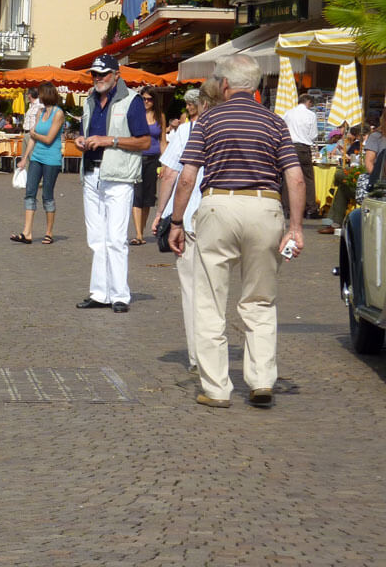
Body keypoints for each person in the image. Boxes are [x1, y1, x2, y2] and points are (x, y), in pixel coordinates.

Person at [169, 55, 304, 409]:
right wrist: (295, 228)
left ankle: (216, 388)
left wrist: (176, 220)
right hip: (265, 207)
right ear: (256, 86)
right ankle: (261, 380)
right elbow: (295, 176)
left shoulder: (208, 120)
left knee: (210, 299)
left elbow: (187, 175)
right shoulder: (275, 123)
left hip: (219, 206)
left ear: (225, 85)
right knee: (260, 300)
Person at [74, 55, 151, 314]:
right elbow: (88, 132)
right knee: (96, 238)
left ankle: (120, 294)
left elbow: (144, 142)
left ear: (116, 75)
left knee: (116, 238)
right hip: (92, 174)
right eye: (94, 74)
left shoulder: (132, 101)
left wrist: (110, 141)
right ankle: (100, 292)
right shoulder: (90, 101)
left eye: (103, 74)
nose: (97, 78)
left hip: (118, 176)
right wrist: (81, 140)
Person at [153, 82, 219, 376]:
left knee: (193, 288)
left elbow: (170, 174)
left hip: (192, 214)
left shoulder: (188, 131)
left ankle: (199, 356)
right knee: (219, 288)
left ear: (201, 104)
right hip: (227, 215)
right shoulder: (235, 128)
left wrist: (162, 214)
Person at [13, 82, 65, 245]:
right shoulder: (39, 112)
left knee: (47, 195)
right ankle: (27, 232)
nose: (38, 96)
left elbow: (49, 139)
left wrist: (34, 134)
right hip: (36, 157)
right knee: (30, 192)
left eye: (40, 93)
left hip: (51, 159)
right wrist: (24, 158)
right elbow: (32, 139)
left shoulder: (58, 114)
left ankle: (49, 232)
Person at [130, 87, 166, 245]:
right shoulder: (136, 116)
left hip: (153, 159)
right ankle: (138, 234)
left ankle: (141, 230)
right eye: (144, 98)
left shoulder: (160, 117)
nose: (146, 102)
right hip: (137, 157)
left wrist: (164, 163)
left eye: (149, 99)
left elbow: (163, 141)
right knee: (137, 195)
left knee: (148, 198)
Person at [281, 93, 319, 219]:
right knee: (307, 178)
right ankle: (310, 208)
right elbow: (313, 135)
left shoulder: (288, 113)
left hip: (288, 147)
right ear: (308, 102)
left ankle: (286, 208)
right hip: (303, 148)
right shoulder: (311, 115)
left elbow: (282, 130)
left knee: (288, 178)